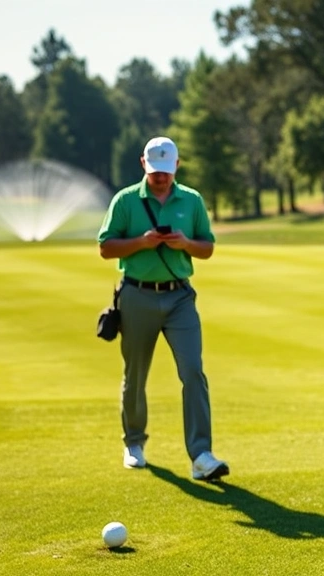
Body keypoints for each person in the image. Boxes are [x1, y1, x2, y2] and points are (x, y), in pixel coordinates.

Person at [97, 136, 229, 482]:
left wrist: (185, 243)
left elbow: (207, 248)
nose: (160, 178)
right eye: (155, 171)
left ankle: (201, 455)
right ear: (143, 164)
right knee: (136, 373)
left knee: (193, 372)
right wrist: (142, 242)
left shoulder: (192, 200)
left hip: (180, 297)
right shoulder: (125, 201)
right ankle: (134, 443)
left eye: (166, 172)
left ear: (177, 167)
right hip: (137, 294)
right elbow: (106, 248)